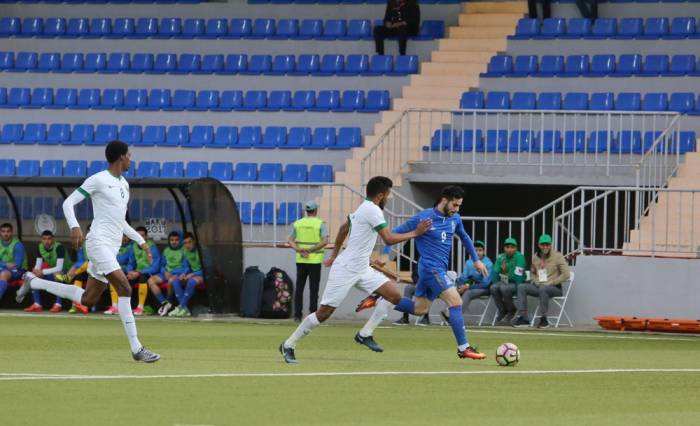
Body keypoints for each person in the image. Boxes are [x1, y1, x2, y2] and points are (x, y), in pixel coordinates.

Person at [16, 140, 160, 363]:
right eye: (129, 155)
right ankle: (137, 348)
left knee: (89, 298)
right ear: (121, 157)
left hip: (110, 248)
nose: (131, 158)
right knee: (124, 287)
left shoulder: (124, 185)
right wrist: (74, 226)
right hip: (97, 243)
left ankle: (33, 282)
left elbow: (120, 222)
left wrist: (141, 241)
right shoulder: (98, 179)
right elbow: (68, 203)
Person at [279, 176, 432, 364]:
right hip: (346, 269)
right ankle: (289, 344)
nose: (389, 198)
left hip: (361, 267)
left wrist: (334, 254)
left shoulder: (363, 207)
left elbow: (344, 228)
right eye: (388, 195)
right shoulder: (373, 210)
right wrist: (416, 233)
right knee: (324, 313)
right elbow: (389, 239)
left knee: (394, 294)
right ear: (380, 195)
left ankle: (365, 333)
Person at [355, 185, 489, 360]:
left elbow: (464, 237)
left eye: (459, 206)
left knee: (419, 309)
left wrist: (476, 260)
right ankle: (464, 348)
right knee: (455, 302)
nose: (457, 209)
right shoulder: (424, 217)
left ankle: (383, 296)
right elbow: (393, 233)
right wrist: (386, 255)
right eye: (455, 205)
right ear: (444, 201)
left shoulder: (455, 218)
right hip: (429, 269)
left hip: (438, 270)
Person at [512, 234, 570, 328]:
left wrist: (552, 282)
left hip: (554, 288)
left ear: (551, 245)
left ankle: (544, 319)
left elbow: (566, 274)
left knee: (544, 288)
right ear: (539, 245)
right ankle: (524, 318)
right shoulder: (536, 257)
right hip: (539, 286)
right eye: (543, 244)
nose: (545, 247)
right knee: (521, 287)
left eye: (547, 244)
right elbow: (532, 273)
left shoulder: (558, 256)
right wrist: (536, 281)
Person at [288, 200, 329, 322]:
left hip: (300, 260)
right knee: (314, 288)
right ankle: (312, 315)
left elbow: (290, 239)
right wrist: (310, 250)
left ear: (306, 211)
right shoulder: (320, 223)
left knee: (299, 287)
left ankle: (297, 315)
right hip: (315, 260)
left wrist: (299, 250)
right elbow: (325, 241)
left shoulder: (298, 223)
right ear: (316, 210)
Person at [441, 240, 493, 322]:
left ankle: (455, 319)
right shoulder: (469, 262)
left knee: (468, 293)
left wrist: (467, 287)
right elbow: (463, 278)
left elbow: (486, 283)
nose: (478, 252)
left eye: (480, 250)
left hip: (485, 289)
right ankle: (447, 312)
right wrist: (460, 286)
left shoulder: (488, 263)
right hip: (469, 286)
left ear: (484, 251)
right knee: (453, 290)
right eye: (475, 250)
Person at [25, 230, 72, 313]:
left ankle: (58, 304)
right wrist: (35, 271)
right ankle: (37, 304)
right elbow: (38, 265)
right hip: (51, 271)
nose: (47, 241)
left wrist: (42, 272)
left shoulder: (59, 247)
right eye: (44, 239)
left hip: (67, 273)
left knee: (57, 275)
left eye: (49, 238)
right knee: (32, 276)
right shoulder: (40, 247)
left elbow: (59, 268)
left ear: (53, 239)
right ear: (41, 239)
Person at [148, 231, 189, 317]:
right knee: (151, 280)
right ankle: (164, 303)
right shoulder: (166, 250)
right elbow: (162, 265)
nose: (174, 242)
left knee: (171, 280)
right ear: (169, 241)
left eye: (176, 240)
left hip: (177, 275)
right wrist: (165, 272)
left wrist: (181, 274)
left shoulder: (184, 250)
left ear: (180, 240)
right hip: (166, 273)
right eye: (172, 240)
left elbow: (186, 267)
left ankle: (169, 301)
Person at [489, 238, 527, 324]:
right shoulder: (501, 257)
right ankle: (503, 310)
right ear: (504, 248)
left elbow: (518, 276)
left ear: (516, 248)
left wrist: (519, 291)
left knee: (504, 288)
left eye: (512, 247)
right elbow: (495, 272)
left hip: (517, 283)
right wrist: (497, 283)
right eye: (507, 247)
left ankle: (511, 310)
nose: (509, 249)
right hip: (505, 282)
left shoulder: (519, 257)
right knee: (493, 288)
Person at [56, 225, 90, 314]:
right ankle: (75, 305)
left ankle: (69, 277)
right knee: (78, 277)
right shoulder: (83, 244)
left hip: (96, 271)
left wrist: (74, 272)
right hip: (84, 270)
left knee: (77, 275)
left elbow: (90, 261)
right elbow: (80, 260)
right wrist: (75, 268)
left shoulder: (99, 243)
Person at [168, 232, 203, 317]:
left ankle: (181, 307)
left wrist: (193, 274)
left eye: (189, 242)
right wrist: (184, 273)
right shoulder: (185, 250)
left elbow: (207, 269)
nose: (187, 245)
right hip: (193, 274)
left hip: (204, 275)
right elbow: (186, 266)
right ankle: (185, 310)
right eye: (185, 243)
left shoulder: (201, 250)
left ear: (194, 241)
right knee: (175, 281)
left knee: (191, 282)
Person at [0, 222, 27, 304]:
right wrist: (5, 265)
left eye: (8, 231)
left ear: (11, 232)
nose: (5, 234)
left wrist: (2, 265)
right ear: (0, 232)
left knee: (4, 274)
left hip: (19, 271)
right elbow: (7, 265)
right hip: (4, 269)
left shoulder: (17, 245)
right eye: (3, 231)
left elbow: (17, 265)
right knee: (3, 272)